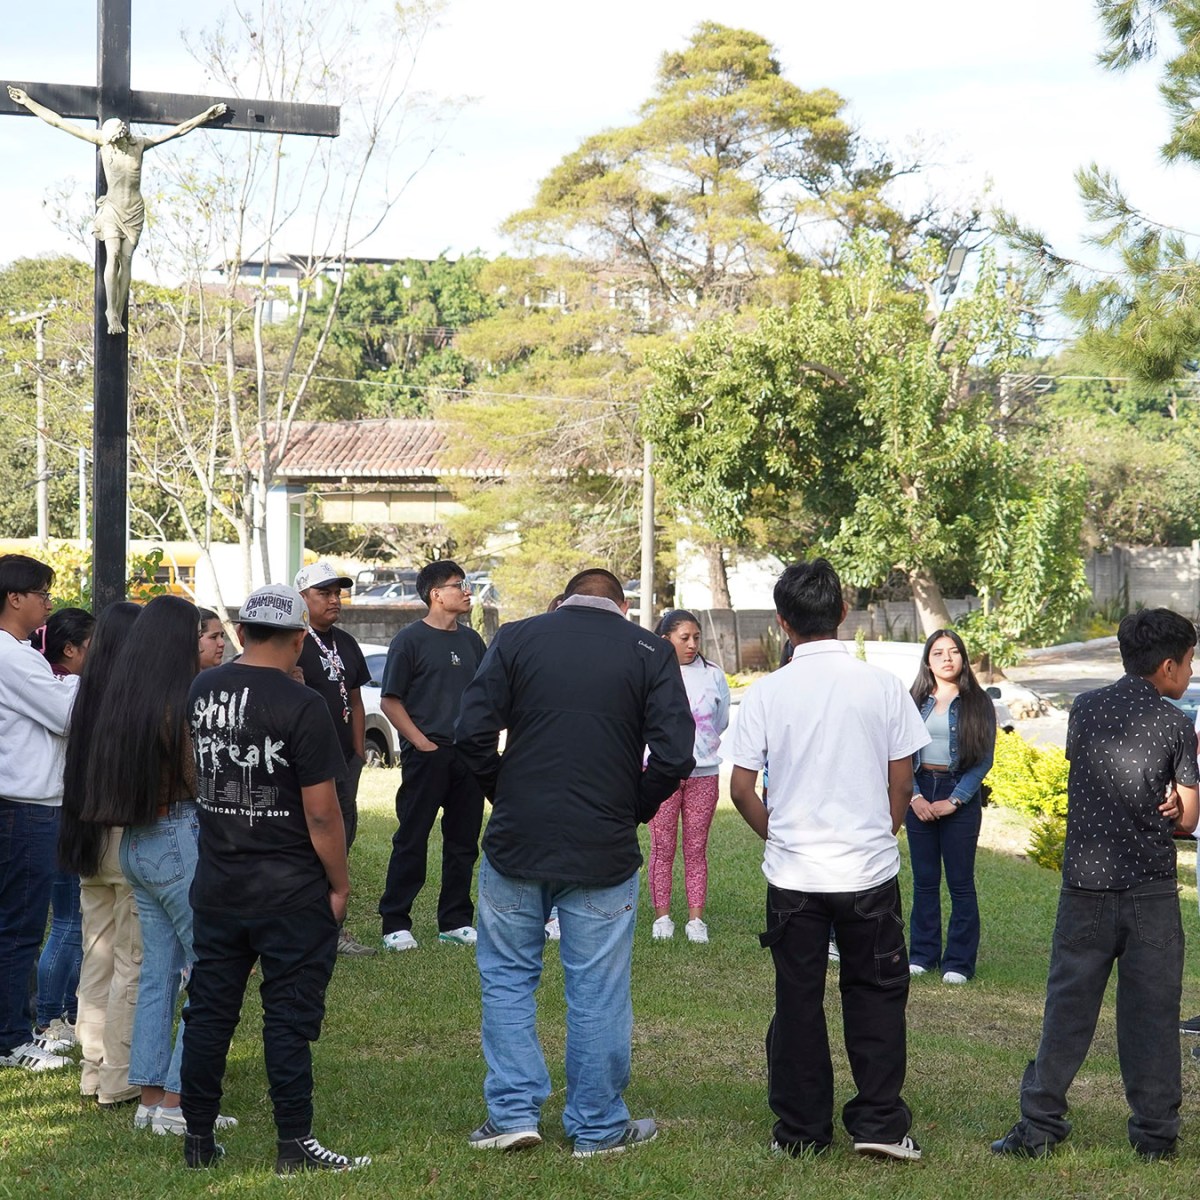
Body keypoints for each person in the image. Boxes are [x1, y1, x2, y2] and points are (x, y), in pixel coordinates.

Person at [455, 567, 695, 1157]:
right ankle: (596, 1126)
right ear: (622, 603)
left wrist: (503, 793)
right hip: (603, 843)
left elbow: (472, 732)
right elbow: (675, 752)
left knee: (508, 978)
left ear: (563, 599)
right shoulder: (649, 650)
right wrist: (632, 806)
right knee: (598, 990)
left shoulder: (517, 637)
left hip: (518, 837)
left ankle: (511, 1114)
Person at [728, 559, 930, 1161]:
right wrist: (880, 832)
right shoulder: (882, 686)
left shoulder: (766, 692)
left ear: (783, 622)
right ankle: (879, 1125)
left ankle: (800, 1131)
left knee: (797, 999)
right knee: (876, 995)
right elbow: (902, 781)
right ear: (844, 613)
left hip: (794, 873)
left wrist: (779, 835)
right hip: (868, 868)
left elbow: (741, 788)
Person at [991, 608, 1199, 1162]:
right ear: (1169, 665)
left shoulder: (1084, 710)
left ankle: (1038, 1124)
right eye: (1190, 662)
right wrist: (1176, 803)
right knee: (1152, 1014)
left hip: (1085, 885)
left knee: (1067, 1008)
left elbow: (1091, 777)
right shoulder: (1178, 724)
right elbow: (1188, 820)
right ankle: (1156, 1135)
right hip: (1151, 892)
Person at [180, 584, 368, 1173]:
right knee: (287, 1015)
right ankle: (294, 1143)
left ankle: (199, 1140)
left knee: (210, 1011)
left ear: (239, 633)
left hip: (218, 881)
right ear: (297, 639)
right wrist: (338, 884)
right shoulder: (301, 704)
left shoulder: (202, 688)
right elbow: (322, 811)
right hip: (289, 887)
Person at [82, 595, 235, 1136]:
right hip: (179, 838)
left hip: (136, 843)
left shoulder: (123, 695)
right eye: (200, 632)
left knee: (157, 976)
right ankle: (175, 1101)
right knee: (211, 971)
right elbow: (200, 780)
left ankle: (151, 1101)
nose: (205, 641)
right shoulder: (180, 699)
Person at [6, 86, 227, 334]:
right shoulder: (103, 141)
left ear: (123, 135)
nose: (114, 144)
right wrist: (28, 102)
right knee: (112, 256)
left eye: (117, 140)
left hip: (133, 210)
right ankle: (111, 311)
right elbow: (58, 122)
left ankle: (119, 310)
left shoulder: (139, 145)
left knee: (127, 260)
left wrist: (206, 116)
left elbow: (178, 131)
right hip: (111, 209)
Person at [60, 601, 144, 1107]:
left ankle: (94, 1071)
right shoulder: (132, 698)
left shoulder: (84, 693)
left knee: (97, 961)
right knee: (131, 963)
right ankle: (117, 1076)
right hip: (125, 842)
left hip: (86, 841)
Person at [378, 560, 486, 950]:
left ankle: (455, 920)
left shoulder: (473, 641)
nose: (468, 591)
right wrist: (421, 742)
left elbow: (485, 695)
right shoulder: (409, 640)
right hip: (427, 756)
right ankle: (395, 922)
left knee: (463, 841)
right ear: (436, 594)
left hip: (468, 757)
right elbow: (390, 701)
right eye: (460, 585)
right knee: (412, 837)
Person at [0, 554, 80, 1072]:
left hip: (27, 806)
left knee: (18, 923)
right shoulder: (12, 656)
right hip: (25, 809)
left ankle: (17, 1027)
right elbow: (68, 714)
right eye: (42, 594)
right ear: (14, 597)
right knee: (21, 928)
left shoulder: (22, 653)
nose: (48, 604)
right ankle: (11, 1040)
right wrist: (76, 678)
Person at [905, 629, 997, 984]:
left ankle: (958, 963)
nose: (947, 658)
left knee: (960, 883)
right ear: (927, 660)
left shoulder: (979, 702)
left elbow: (984, 758)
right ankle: (923, 954)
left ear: (963, 658)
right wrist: (914, 797)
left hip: (959, 790)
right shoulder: (913, 699)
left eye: (954, 651)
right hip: (919, 789)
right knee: (925, 881)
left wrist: (955, 799)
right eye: (938, 652)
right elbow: (897, 752)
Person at [293, 562, 374, 957]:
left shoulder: (345, 641)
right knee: (307, 846)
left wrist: (358, 752)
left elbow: (356, 699)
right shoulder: (292, 641)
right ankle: (303, 930)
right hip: (305, 765)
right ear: (302, 598)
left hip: (344, 762)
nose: (333, 600)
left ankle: (333, 931)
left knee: (342, 844)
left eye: (337, 593)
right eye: (324, 593)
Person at [30, 607, 95, 1050]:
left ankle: (66, 1012)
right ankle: (47, 1017)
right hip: (61, 814)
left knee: (74, 920)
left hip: (62, 813)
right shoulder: (63, 688)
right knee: (69, 921)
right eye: (94, 647)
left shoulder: (51, 682)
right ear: (69, 649)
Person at [646, 609, 730, 944]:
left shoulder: (713, 675)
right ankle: (662, 917)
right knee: (661, 847)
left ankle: (696, 920)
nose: (692, 644)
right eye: (684, 638)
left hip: (704, 773)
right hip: (662, 772)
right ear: (666, 639)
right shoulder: (652, 672)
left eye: (697, 637)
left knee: (696, 848)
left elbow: (721, 719)